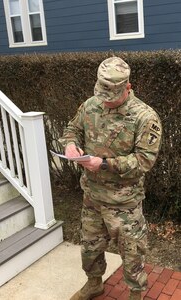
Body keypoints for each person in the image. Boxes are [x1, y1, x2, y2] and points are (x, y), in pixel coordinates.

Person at [58, 57, 162, 300]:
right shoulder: (91, 105)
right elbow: (72, 129)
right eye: (102, 93)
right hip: (92, 197)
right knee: (90, 248)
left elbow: (144, 160)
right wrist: (71, 145)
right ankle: (94, 284)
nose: (105, 101)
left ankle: (135, 295)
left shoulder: (144, 117)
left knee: (132, 254)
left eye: (111, 95)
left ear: (127, 87)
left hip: (124, 203)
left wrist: (103, 164)